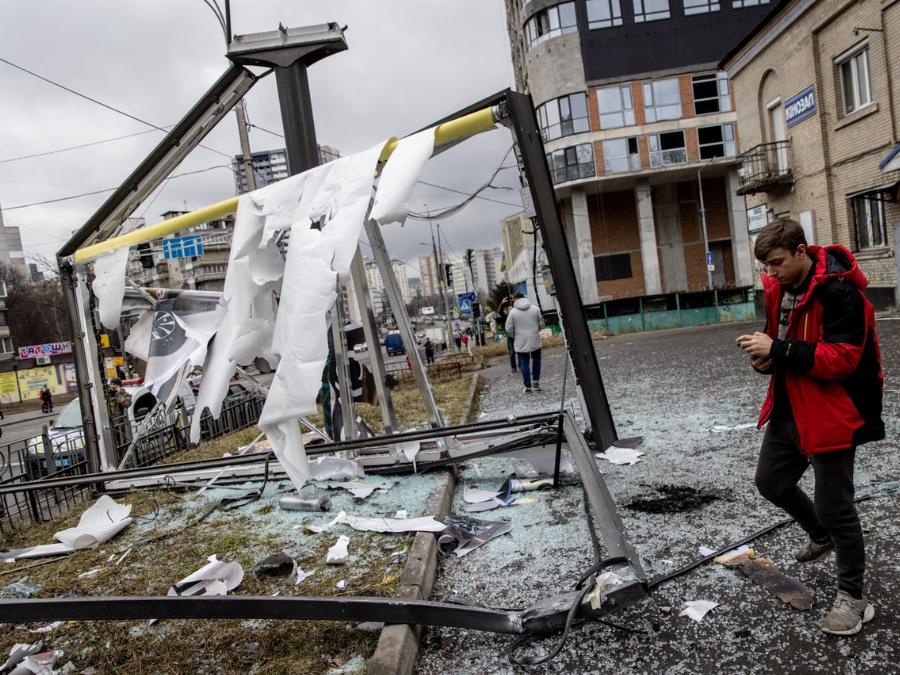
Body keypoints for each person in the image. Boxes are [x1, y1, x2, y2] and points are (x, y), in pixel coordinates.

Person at [736, 219, 884, 637]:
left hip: (834, 411)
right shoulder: (778, 289)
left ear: (802, 251)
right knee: (771, 482)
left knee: (835, 505)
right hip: (790, 406)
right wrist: (764, 357)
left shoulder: (839, 291)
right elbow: (779, 340)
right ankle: (821, 536)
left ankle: (854, 598)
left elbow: (843, 359)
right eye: (765, 266)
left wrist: (779, 349)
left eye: (778, 263)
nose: (772, 273)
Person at [505, 293, 545, 394]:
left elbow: (508, 328)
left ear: (516, 299)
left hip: (520, 340)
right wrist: (535, 330)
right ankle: (536, 383)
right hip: (534, 339)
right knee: (536, 360)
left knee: (524, 363)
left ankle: (528, 387)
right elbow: (541, 324)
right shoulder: (535, 309)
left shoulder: (513, 312)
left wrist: (515, 336)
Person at [498, 295, 517, 374]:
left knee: (520, 352)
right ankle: (513, 368)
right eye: (509, 309)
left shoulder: (517, 314)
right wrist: (502, 303)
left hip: (518, 335)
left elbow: (520, 304)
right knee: (512, 353)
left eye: (511, 308)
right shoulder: (506, 316)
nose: (510, 309)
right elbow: (499, 312)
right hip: (510, 337)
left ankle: (521, 365)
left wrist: (514, 299)